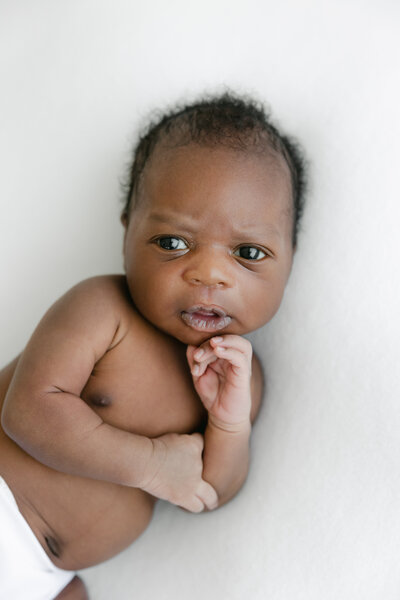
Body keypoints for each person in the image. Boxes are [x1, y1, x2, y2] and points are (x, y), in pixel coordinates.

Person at [0, 92, 306, 599]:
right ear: (127, 233)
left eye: (249, 253)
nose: (208, 273)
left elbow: (208, 491)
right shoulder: (104, 309)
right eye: (172, 242)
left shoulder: (238, 377)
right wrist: (149, 465)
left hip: (44, 580)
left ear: (291, 260)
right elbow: (28, 413)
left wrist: (228, 423)